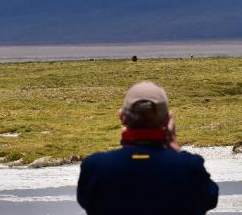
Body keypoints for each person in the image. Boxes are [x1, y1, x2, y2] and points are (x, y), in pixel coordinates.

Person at [77, 81, 218, 215]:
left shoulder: (95, 168)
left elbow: (85, 200)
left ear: (122, 116)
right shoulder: (188, 168)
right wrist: (175, 147)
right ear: (167, 119)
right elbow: (210, 198)